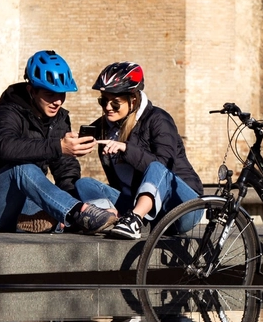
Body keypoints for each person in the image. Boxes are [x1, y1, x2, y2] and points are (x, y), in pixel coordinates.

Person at [0, 50, 118, 234]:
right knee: (22, 168)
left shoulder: (59, 118)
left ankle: (57, 221)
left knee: (84, 196)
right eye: (50, 94)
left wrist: (70, 194)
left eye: (62, 94)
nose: (57, 101)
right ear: (31, 91)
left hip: (26, 204)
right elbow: (5, 147)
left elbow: (65, 169)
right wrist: (59, 146)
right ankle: (75, 215)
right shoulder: (9, 111)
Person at [76, 62, 205, 239]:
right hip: (144, 210)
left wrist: (126, 149)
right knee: (84, 184)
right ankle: (110, 217)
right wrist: (69, 146)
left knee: (156, 167)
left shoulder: (158, 120)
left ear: (133, 101)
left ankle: (135, 219)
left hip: (182, 207)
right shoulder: (103, 127)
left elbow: (164, 166)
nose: (107, 108)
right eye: (103, 101)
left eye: (115, 104)